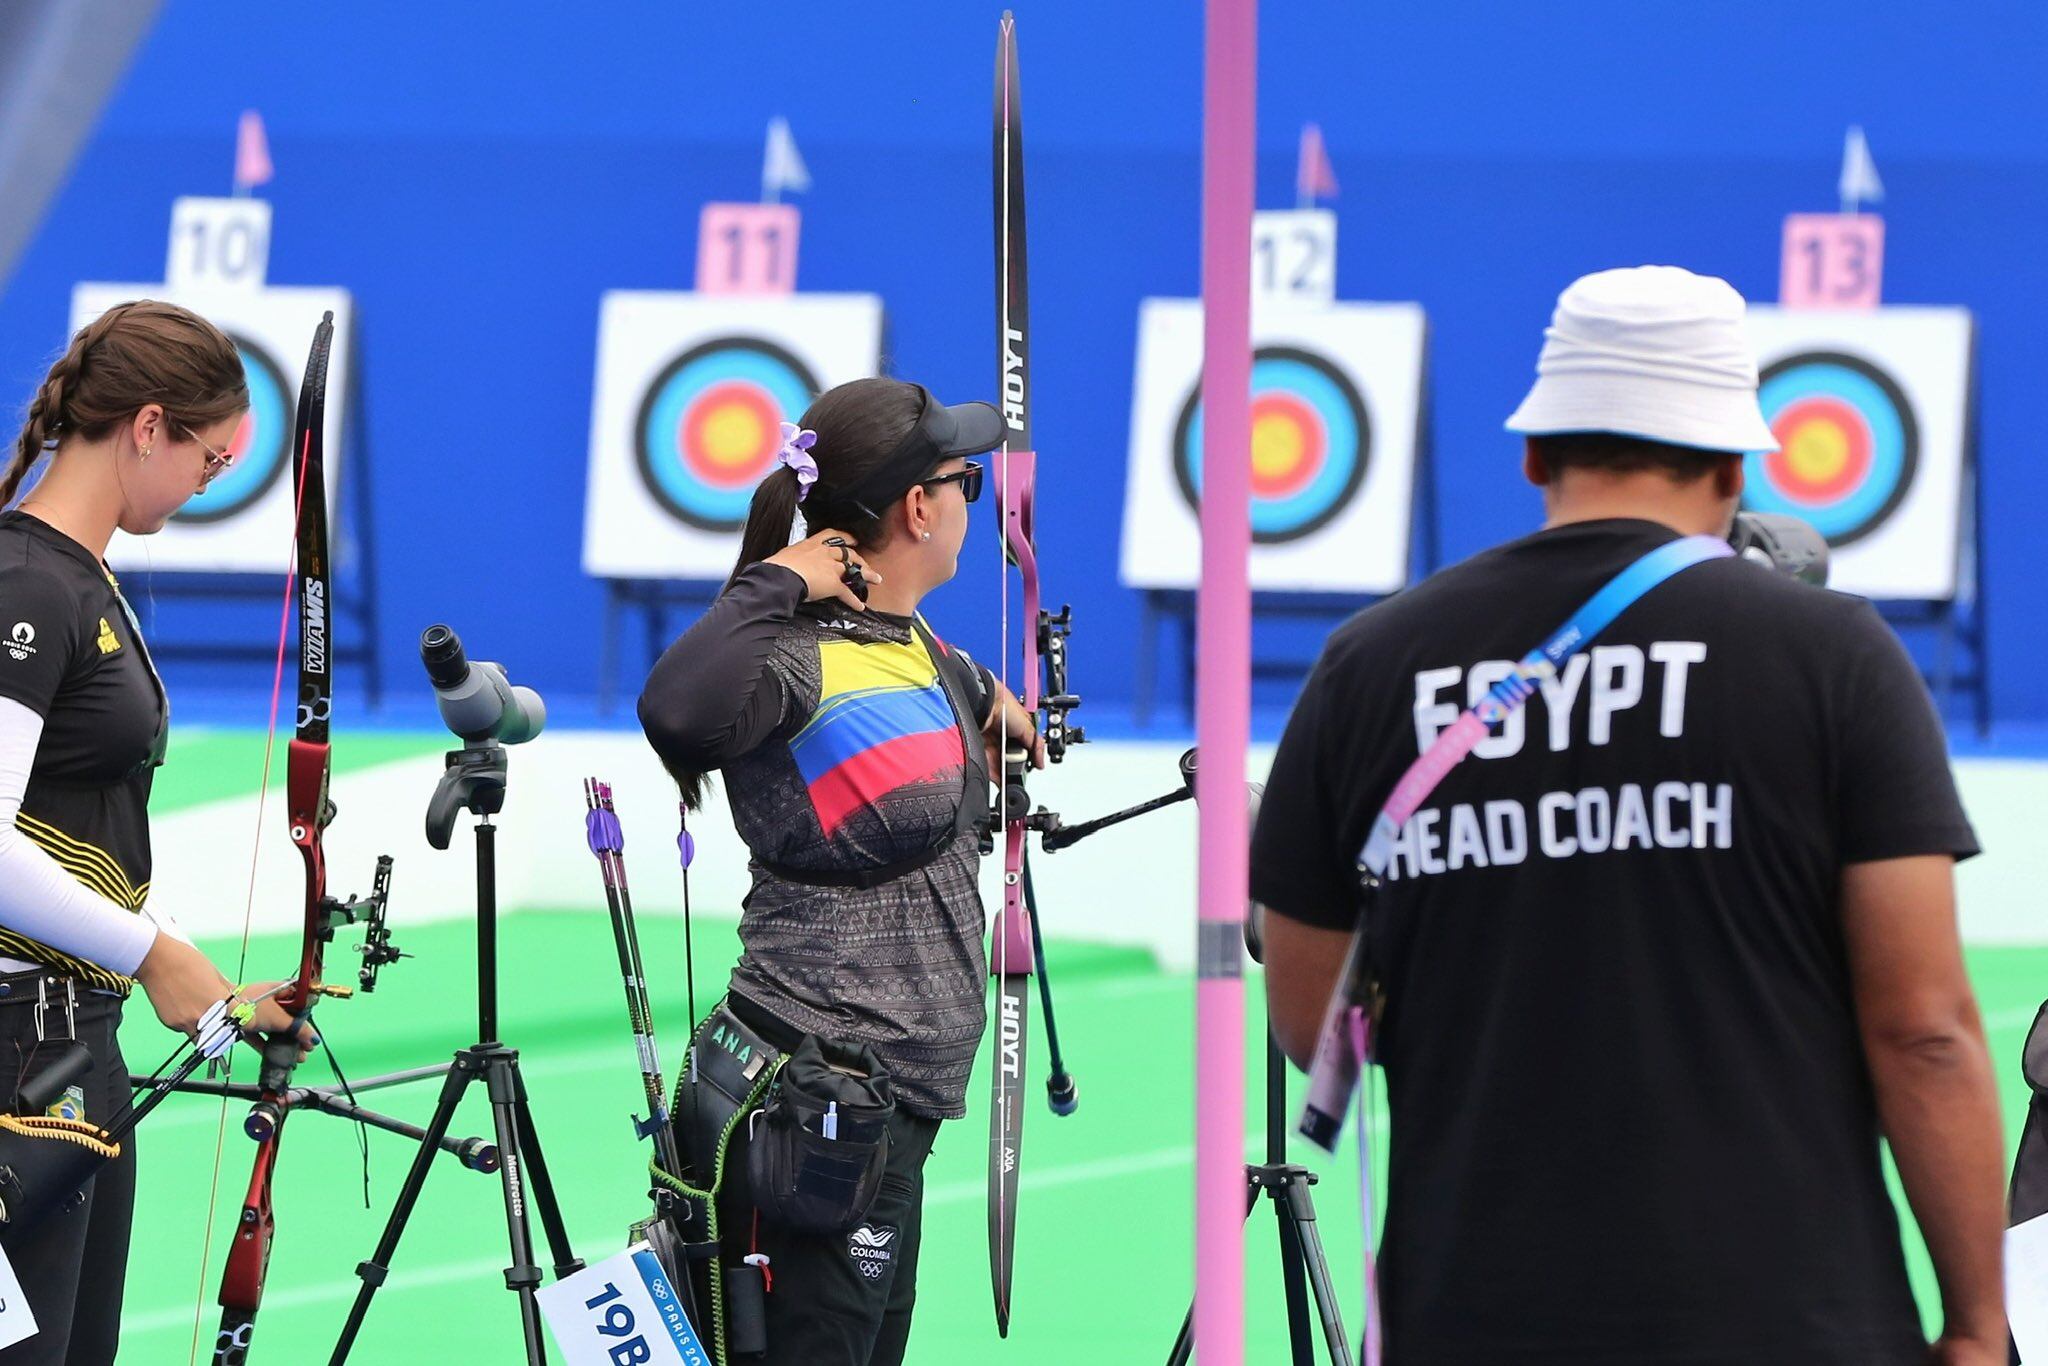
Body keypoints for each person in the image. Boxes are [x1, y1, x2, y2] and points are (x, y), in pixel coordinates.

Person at [1252, 266, 2008, 1365]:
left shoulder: (1367, 667)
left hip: (1473, 1316)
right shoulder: (1832, 658)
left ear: (1533, 453)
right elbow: (1922, 1028)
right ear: (1736, 464)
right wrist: (1977, 1326)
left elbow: (1308, 1023)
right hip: (1789, 1320)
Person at [638, 377, 1043, 1365]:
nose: (970, 503)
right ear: (918, 508)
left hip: (887, 1107)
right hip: (811, 1100)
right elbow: (676, 713)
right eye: (965, 483)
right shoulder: (794, 658)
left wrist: (997, 710)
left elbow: (932, 688)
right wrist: (776, 579)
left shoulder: (915, 642)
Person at [0, 301, 303, 1365]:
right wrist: (153, 956)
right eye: (209, 459)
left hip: (72, 1045)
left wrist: (199, 981)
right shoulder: (27, 584)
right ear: (147, 426)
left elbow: (79, 828)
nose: (208, 483)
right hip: (19, 1057)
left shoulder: (81, 579)